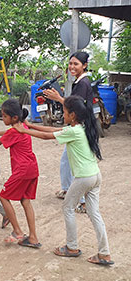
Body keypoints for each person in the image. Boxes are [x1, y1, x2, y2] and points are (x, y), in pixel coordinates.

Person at [14, 95, 114, 265]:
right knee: (94, 213)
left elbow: (48, 136)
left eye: (65, 112)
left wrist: (25, 130)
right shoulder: (82, 128)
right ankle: (104, 253)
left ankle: (72, 246)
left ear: (73, 115)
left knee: (68, 208)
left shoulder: (74, 131)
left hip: (83, 177)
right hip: (95, 176)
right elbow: (53, 131)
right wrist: (30, 126)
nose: (63, 115)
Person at [0, 99, 41, 248]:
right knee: (25, 201)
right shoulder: (22, 126)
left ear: (14, 118)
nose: (3, 119)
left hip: (22, 170)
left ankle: (17, 231)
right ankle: (33, 237)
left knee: (3, 196)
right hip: (32, 168)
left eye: (4, 116)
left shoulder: (15, 130)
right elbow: (8, 133)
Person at [43, 51, 93, 213]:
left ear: (84, 66)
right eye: (70, 63)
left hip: (81, 128)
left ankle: (84, 201)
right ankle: (66, 189)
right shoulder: (80, 82)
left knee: (76, 165)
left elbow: (76, 107)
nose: (72, 67)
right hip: (78, 127)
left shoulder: (83, 83)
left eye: (76, 64)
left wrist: (58, 98)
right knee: (66, 161)